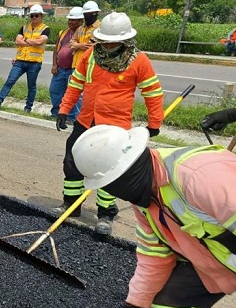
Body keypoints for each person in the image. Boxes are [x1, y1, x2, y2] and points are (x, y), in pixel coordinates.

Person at [72, 124, 236, 308]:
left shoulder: (199, 178)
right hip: (221, 258)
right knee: (171, 302)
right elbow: (153, 256)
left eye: (116, 183)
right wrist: (135, 306)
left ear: (135, 164)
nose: (117, 194)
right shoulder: (146, 199)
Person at [55, 12, 164, 236]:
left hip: (115, 126)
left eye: (111, 41)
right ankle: (71, 204)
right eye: (104, 40)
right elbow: (75, 83)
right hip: (86, 120)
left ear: (124, 40)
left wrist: (154, 123)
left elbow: (153, 92)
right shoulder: (91, 55)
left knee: (107, 169)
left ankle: (105, 214)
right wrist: (64, 109)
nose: (106, 45)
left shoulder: (138, 60)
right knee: (72, 160)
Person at [0, 4, 49, 114]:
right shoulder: (24, 27)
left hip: (34, 63)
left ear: (41, 16)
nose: (34, 18)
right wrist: (31, 42)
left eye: (36, 16)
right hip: (20, 61)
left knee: (31, 86)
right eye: (32, 16)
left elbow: (40, 42)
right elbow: (17, 41)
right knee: (9, 81)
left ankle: (28, 108)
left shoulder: (45, 29)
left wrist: (25, 40)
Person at [49, 6, 84, 121]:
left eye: (74, 20)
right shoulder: (63, 33)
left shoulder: (82, 34)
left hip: (72, 69)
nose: (71, 22)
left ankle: (72, 117)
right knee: (55, 90)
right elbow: (56, 49)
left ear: (81, 21)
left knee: (72, 94)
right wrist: (55, 64)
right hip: (60, 69)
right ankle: (56, 113)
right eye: (70, 19)